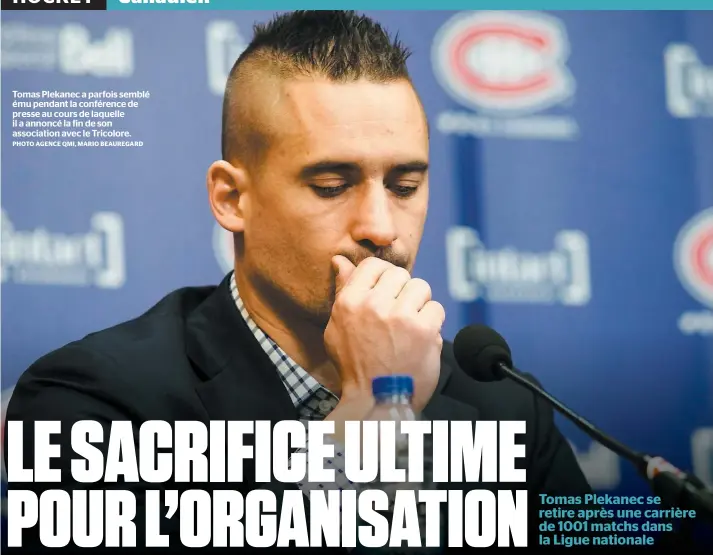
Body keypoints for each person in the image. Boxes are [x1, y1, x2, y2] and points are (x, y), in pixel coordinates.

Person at [5, 10, 594, 552]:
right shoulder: (90, 401)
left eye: (405, 185)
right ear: (233, 198)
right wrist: (374, 408)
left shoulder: (505, 406)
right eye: (332, 185)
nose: (380, 227)